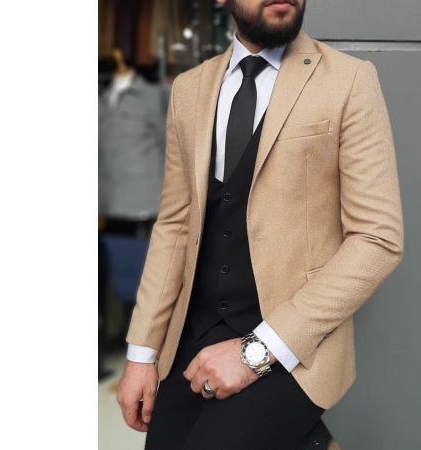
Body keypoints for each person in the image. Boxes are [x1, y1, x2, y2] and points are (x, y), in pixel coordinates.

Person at [116, 1, 404, 449]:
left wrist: (256, 351)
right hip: (192, 335)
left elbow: (377, 238)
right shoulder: (189, 88)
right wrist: (141, 353)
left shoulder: (348, 79)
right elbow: (174, 225)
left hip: (292, 344)